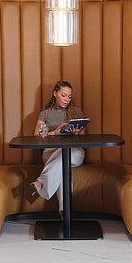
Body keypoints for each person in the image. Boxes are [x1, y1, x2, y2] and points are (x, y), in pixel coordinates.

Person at [29, 80, 85, 211]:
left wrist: (76, 134)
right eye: (63, 95)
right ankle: (65, 212)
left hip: (75, 152)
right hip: (51, 152)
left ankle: (41, 181)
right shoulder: (46, 113)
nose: (67, 99)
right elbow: (36, 136)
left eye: (69, 97)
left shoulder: (77, 112)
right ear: (55, 93)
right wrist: (55, 132)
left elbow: (84, 138)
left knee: (64, 153)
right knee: (62, 169)